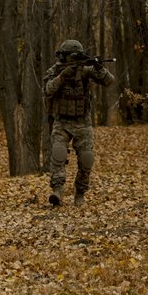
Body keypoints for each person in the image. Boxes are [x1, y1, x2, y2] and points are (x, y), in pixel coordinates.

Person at [43, 39, 116, 206]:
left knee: (86, 158)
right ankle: (57, 190)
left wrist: (99, 67)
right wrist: (63, 76)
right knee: (58, 153)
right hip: (61, 121)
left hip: (82, 122)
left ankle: (80, 194)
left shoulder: (85, 70)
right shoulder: (56, 71)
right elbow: (48, 90)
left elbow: (109, 81)